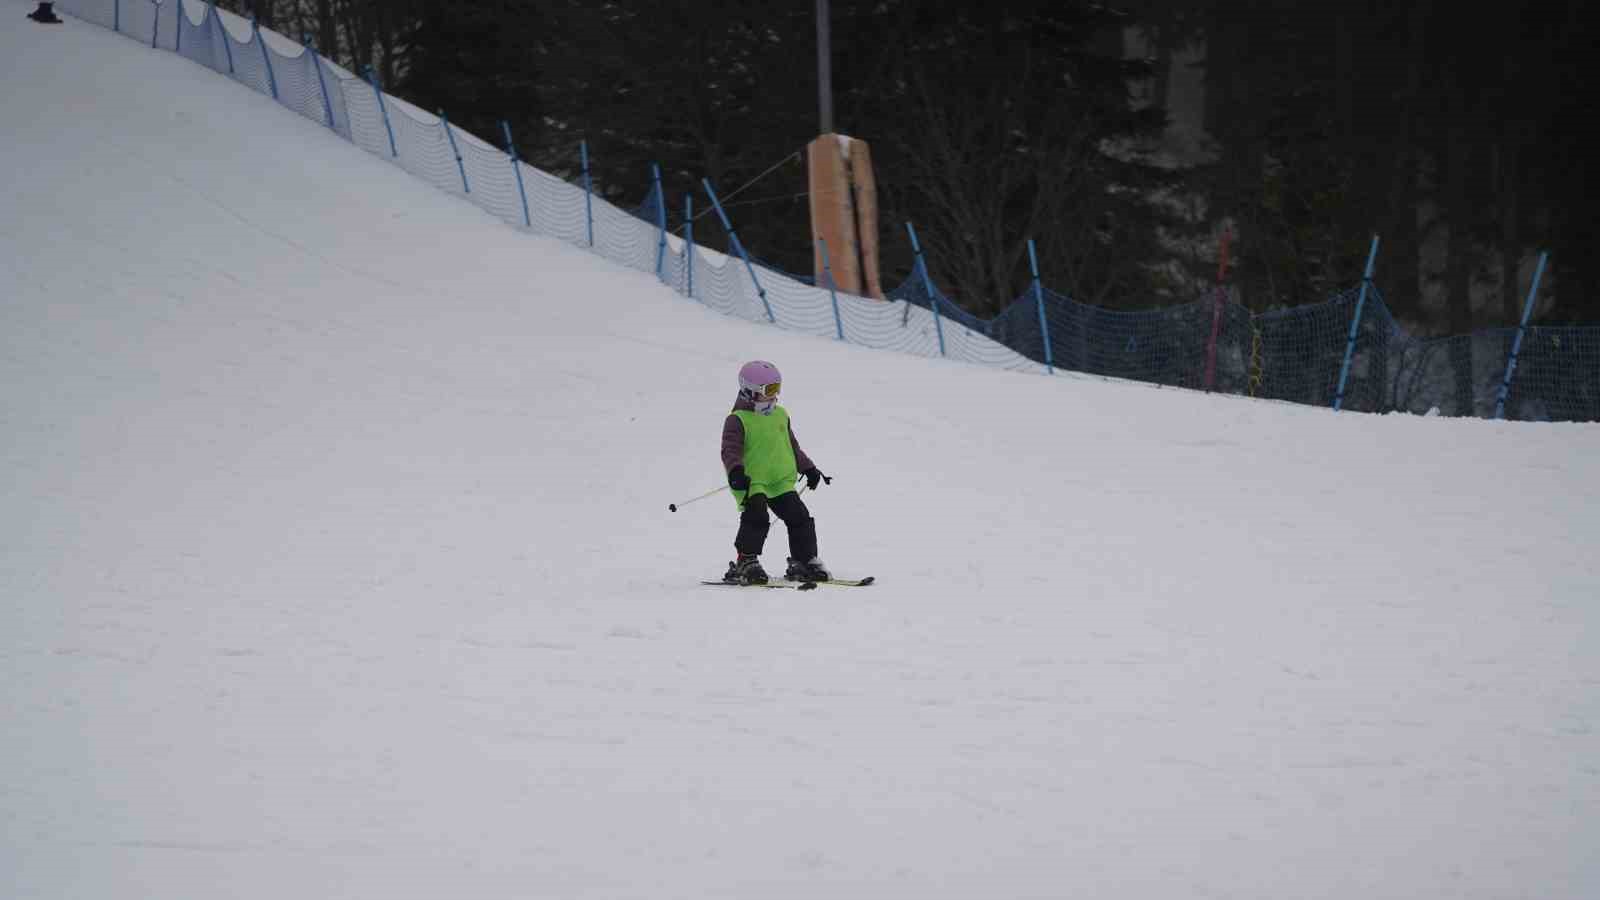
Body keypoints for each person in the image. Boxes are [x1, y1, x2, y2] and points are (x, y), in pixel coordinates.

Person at [721, 360, 831, 584]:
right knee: (757, 517)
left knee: (799, 517)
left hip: (779, 480)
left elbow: (792, 446)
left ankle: (804, 560)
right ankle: (746, 561)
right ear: (749, 391)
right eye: (769, 390)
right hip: (753, 481)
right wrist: (735, 471)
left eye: (777, 388)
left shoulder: (780, 414)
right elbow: (730, 450)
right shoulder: (738, 419)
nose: (775, 395)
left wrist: (808, 468)